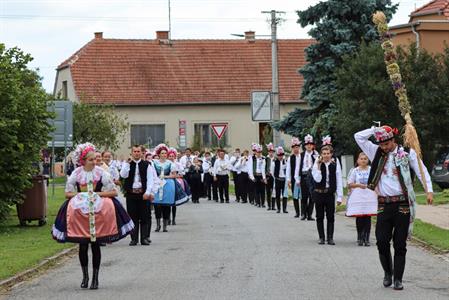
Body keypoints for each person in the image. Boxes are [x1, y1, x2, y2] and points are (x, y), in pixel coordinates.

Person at [354, 125, 433, 290]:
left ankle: (398, 278)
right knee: (382, 241)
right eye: (381, 144)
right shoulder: (375, 151)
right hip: (383, 203)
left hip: (402, 203)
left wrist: (429, 190)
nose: (384, 147)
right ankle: (388, 273)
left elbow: (421, 170)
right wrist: (374, 129)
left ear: (393, 140)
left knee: (399, 243)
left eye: (386, 144)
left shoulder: (406, 152)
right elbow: (358, 137)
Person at [52, 143, 134, 290]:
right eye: (91, 159)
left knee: (96, 245)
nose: (94, 162)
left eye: (95, 159)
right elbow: (67, 194)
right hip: (81, 214)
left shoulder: (102, 173)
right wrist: (82, 195)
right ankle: (85, 276)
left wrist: (96, 194)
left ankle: (95, 278)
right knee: (82, 245)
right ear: (83, 160)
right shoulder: (76, 174)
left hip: (98, 212)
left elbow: (113, 192)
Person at [120, 145, 152, 246]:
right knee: (132, 216)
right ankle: (134, 239)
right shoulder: (127, 164)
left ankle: (144, 238)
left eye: (138, 151)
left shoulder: (147, 164)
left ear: (142, 153)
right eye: (135, 151)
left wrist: (148, 192)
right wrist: (127, 164)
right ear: (132, 153)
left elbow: (150, 180)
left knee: (144, 216)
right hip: (131, 193)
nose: (137, 153)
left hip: (143, 194)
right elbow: (123, 175)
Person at [312, 144, 343, 245]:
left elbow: (339, 179)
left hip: (329, 194)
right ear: (321, 154)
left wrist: (340, 196)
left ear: (331, 154)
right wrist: (319, 166)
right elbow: (317, 178)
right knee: (319, 216)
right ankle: (321, 237)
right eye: (324, 154)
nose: (326, 155)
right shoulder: (317, 163)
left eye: (328, 153)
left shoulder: (335, 163)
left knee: (330, 216)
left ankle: (330, 237)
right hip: (319, 193)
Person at [347, 152, 372, 246]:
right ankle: (360, 236)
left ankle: (367, 237)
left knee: (367, 216)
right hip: (358, 196)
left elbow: (375, 181)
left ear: (368, 160)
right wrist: (358, 185)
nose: (363, 160)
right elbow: (350, 184)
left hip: (369, 196)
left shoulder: (371, 170)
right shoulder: (355, 171)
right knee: (360, 217)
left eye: (365, 158)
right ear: (358, 160)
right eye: (361, 159)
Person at [295, 134, 319, 220]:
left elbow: (318, 166)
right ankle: (303, 214)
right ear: (305, 146)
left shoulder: (316, 154)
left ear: (312, 146)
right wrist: (297, 179)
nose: (309, 146)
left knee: (312, 196)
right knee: (304, 196)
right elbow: (297, 167)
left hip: (312, 177)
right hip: (304, 175)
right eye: (307, 145)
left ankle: (309, 215)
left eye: (310, 144)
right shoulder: (301, 155)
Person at [287, 138, 302, 216]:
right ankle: (297, 212)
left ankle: (303, 212)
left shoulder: (302, 156)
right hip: (293, 178)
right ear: (292, 148)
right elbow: (288, 169)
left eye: (297, 147)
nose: (296, 149)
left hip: (302, 178)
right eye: (294, 147)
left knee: (302, 195)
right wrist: (289, 180)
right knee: (295, 195)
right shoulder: (291, 158)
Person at [270, 146, 288, 214]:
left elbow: (288, 170)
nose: (280, 157)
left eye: (281, 155)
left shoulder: (285, 161)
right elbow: (272, 172)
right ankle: (278, 208)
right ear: (277, 155)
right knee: (277, 195)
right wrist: (276, 177)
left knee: (285, 195)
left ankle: (284, 208)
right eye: (279, 155)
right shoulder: (274, 162)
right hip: (278, 179)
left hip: (284, 179)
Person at [265, 143, 276, 211]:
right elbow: (264, 168)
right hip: (268, 177)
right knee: (268, 191)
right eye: (270, 152)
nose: (271, 153)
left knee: (274, 191)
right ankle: (269, 205)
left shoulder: (275, 159)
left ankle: (273, 206)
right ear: (268, 152)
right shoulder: (266, 159)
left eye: (272, 152)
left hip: (274, 177)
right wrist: (264, 177)